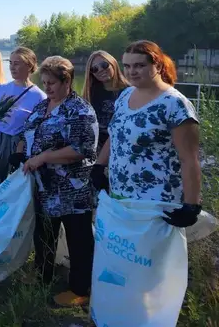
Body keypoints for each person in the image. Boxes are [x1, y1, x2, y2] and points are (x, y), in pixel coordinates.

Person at [91, 40, 201, 225]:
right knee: (121, 251)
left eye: (139, 65)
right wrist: (99, 165)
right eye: (127, 66)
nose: (132, 71)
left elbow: (189, 159)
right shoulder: (125, 95)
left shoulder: (174, 104)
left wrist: (192, 205)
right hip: (120, 196)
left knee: (150, 254)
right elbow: (116, 134)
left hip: (157, 203)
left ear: (157, 65)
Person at [18, 56, 98, 307]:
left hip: (73, 189)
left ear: (68, 81)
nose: (48, 87)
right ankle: (43, 276)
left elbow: (83, 149)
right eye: (44, 82)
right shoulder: (43, 106)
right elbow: (28, 132)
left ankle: (80, 289)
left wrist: (43, 157)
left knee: (79, 240)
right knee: (44, 236)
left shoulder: (80, 111)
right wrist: (22, 152)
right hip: (44, 188)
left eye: (52, 83)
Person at [0, 47, 46, 192]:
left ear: (30, 66)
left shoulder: (39, 97)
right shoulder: (0, 89)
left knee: (11, 192)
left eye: (17, 63)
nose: (12, 67)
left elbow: (37, 130)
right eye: (11, 63)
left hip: (17, 147)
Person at [82, 50, 128, 152]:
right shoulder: (90, 94)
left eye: (104, 65)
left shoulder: (130, 91)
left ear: (113, 63)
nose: (100, 70)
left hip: (121, 149)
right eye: (94, 69)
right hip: (95, 151)